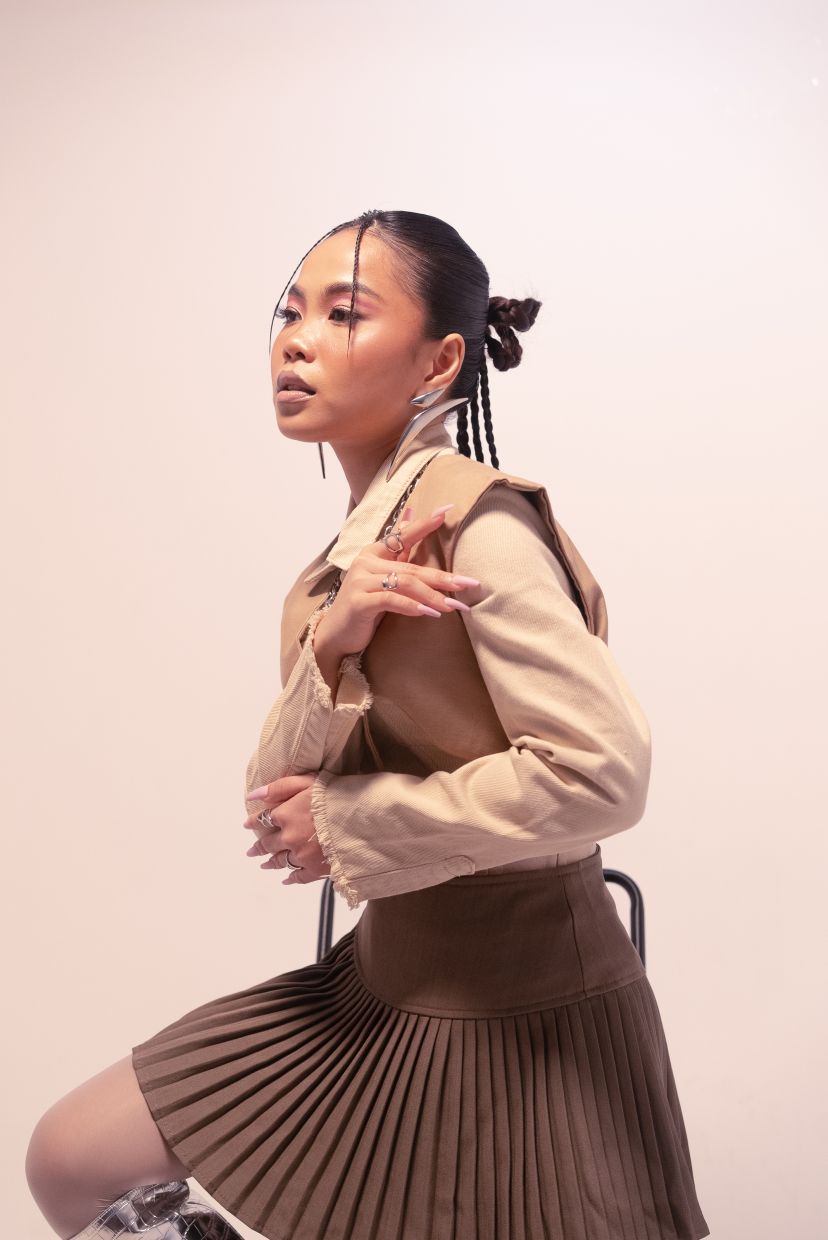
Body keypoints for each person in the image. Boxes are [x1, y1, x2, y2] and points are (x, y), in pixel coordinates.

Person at [26, 209, 710, 1240]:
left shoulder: (478, 524)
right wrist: (332, 647)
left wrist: (349, 824)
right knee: (74, 1158)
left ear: (440, 361)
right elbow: (275, 800)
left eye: (344, 314)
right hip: (382, 983)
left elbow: (602, 771)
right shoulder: (350, 557)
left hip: (528, 1014)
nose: (296, 342)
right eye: (289, 314)